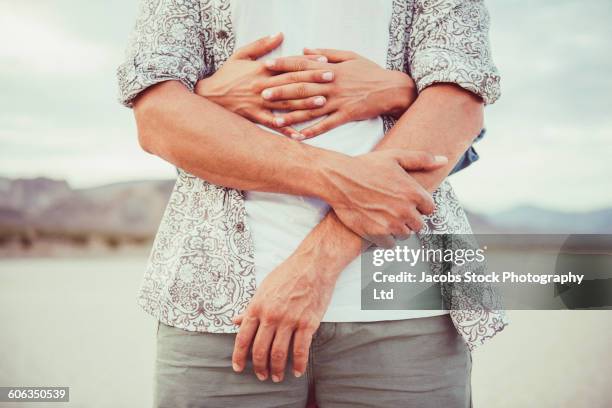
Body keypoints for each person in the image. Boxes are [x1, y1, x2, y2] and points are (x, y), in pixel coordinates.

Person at [117, 0, 507, 406]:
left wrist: (315, 268)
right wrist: (338, 174)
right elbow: (157, 115)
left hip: (404, 301)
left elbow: (458, 104)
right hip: (216, 304)